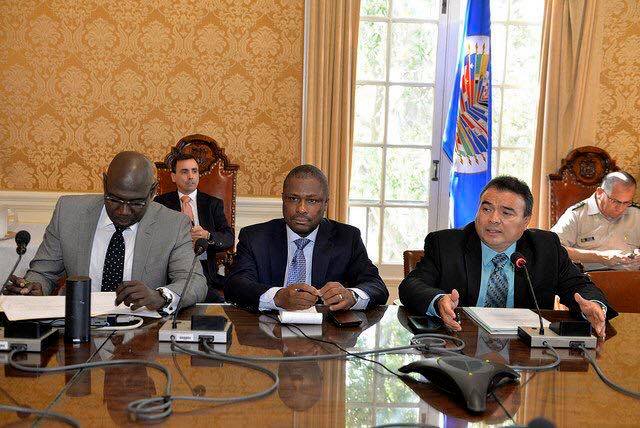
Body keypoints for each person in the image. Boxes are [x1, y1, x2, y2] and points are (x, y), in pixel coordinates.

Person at [399, 176, 617, 337]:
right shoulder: (446, 244)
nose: (493, 219)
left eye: (506, 213)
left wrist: (593, 305)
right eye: (486, 209)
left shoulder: (545, 247)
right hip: (460, 344)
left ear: (525, 221)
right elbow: (411, 285)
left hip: (525, 351)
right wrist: (439, 301)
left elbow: (579, 286)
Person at [4, 151, 206, 314]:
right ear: (104, 183)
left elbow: (195, 282)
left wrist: (159, 296)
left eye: (136, 203)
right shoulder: (68, 212)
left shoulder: (172, 224)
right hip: (78, 324)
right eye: (114, 199)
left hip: (142, 333)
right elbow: (42, 272)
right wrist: (32, 287)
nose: (123, 211)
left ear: (153, 192)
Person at [225, 164, 388, 311]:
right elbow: (236, 285)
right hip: (268, 329)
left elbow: (376, 286)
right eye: (293, 199)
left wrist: (352, 296)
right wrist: (277, 297)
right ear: (283, 199)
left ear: (325, 204)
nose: (301, 209)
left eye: (312, 201)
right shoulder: (255, 237)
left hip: (327, 330)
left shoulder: (347, 238)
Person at [154, 152, 234, 302]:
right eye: (184, 172)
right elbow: (154, 239)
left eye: (194, 171)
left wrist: (207, 236)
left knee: (216, 302)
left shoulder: (213, 204)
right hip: (171, 272)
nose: (191, 176)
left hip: (204, 272)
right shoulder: (160, 204)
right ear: (173, 176)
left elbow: (228, 238)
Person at [551, 171, 640, 271]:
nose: (620, 208)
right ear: (600, 193)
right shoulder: (577, 214)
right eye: (615, 201)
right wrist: (600, 257)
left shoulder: (636, 214)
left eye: (627, 202)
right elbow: (553, 249)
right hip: (588, 277)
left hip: (630, 277)